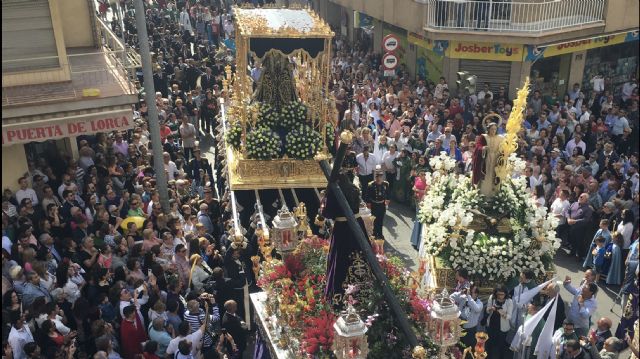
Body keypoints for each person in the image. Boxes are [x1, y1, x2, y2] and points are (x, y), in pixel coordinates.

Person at [485, 286, 513, 359]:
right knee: (489, 343)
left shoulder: (509, 301)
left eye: (502, 294)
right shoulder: (492, 298)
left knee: (501, 345)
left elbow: (510, 316)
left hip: (503, 327)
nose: (500, 296)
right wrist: (491, 309)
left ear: (505, 294)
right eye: (498, 294)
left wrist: (503, 313)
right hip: (492, 324)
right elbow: (487, 310)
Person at [365, 168, 390, 239]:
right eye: (377, 176)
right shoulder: (371, 185)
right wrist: (368, 203)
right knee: (375, 220)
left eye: (380, 176)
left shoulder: (385, 184)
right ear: (375, 177)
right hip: (374, 205)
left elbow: (388, 194)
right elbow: (367, 195)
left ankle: (380, 233)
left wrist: (387, 201)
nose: (379, 178)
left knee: (381, 220)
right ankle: (375, 233)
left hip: (382, 205)